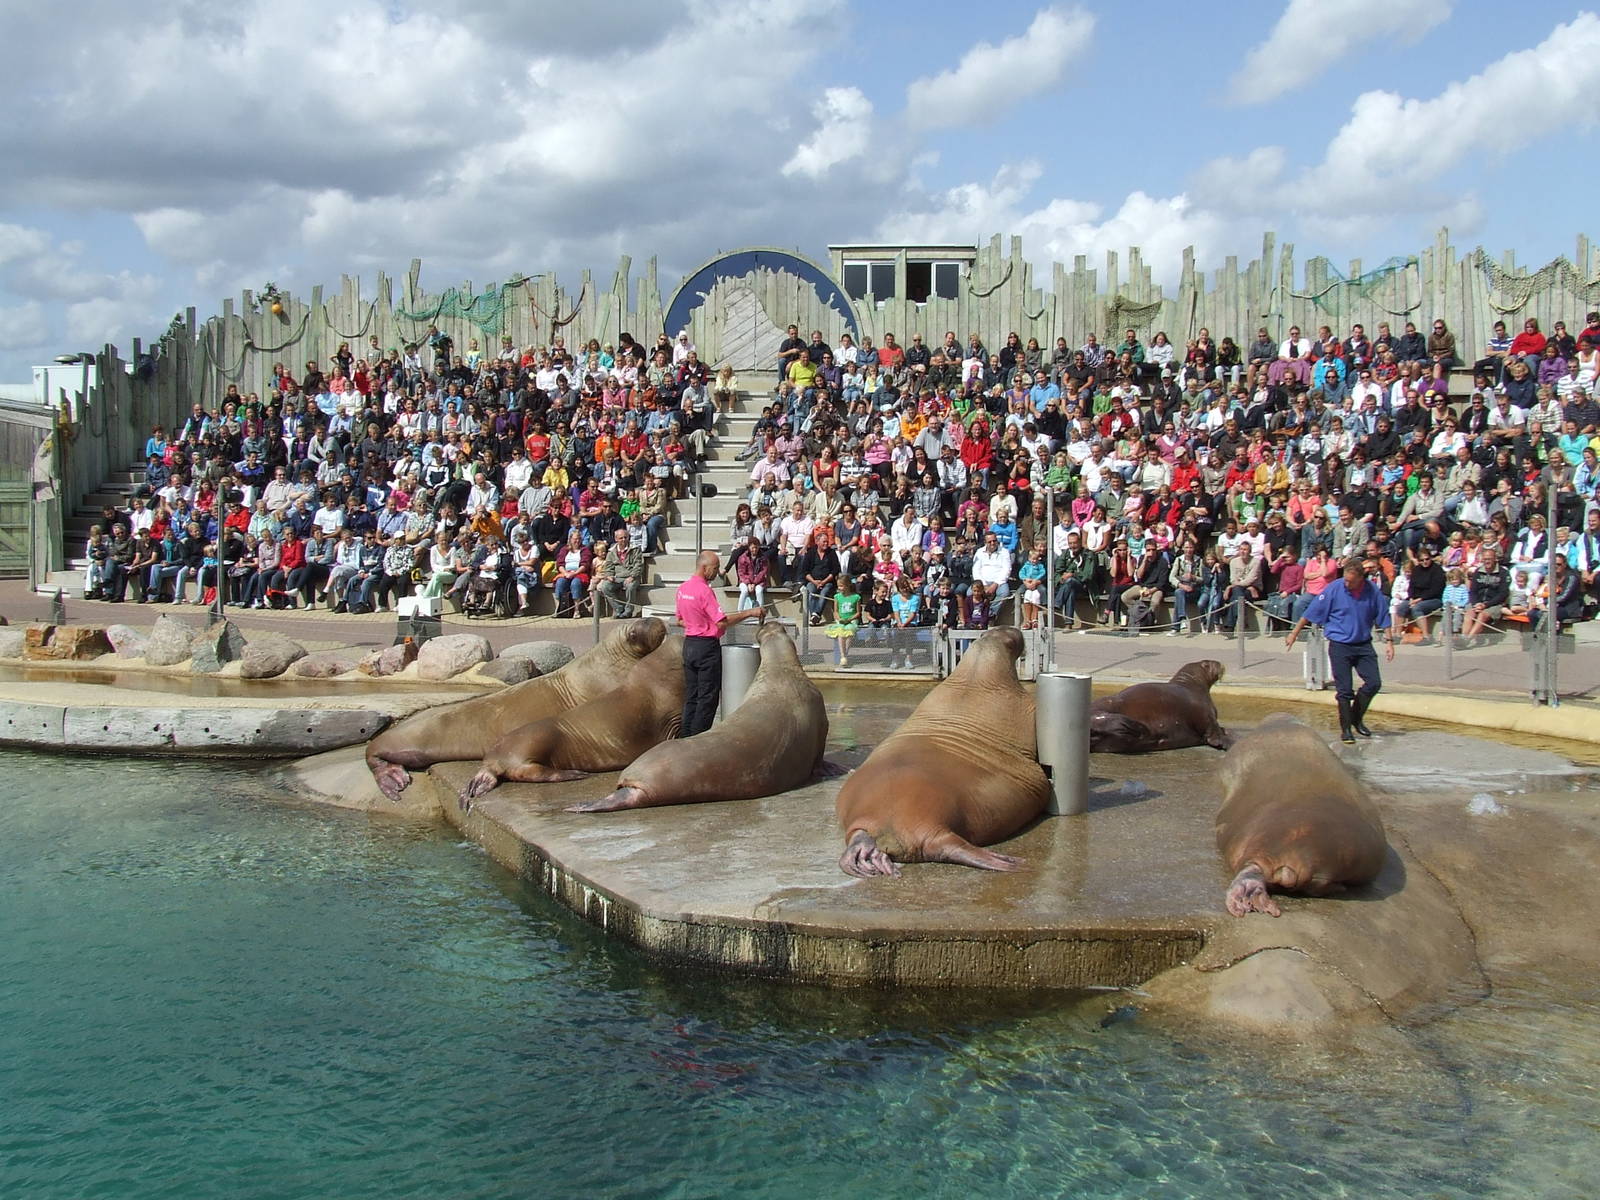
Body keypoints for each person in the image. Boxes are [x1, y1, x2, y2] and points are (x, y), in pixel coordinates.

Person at [1285, 559, 1396, 744]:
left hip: (1363, 644)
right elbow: (1312, 611)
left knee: (1374, 682)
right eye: (1345, 579)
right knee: (1344, 690)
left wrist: (1389, 642)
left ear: (1360, 578)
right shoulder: (1335, 588)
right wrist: (1294, 633)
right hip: (1340, 645)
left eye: (1350, 581)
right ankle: (1346, 730)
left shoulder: (1371, 590)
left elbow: (1383, 614)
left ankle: (1356, 718)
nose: (1346, 584)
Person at [674, 550, 765, 738]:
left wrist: (698, 623)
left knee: (692, 696)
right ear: (704, 568)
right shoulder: (704, 591)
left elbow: (680, 621)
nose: (717, 573)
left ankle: (685, 738)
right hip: (706, 647)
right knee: (707, 698)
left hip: (689, 645)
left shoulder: (682, 589)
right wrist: (750, 613)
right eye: (715, 568)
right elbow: (722, 622)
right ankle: (698, 740)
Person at [823, 575, 860, 668]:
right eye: (838, 586)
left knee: (849, 632)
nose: (839, 588)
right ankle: (843, 656)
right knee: (840, 633)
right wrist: (839, 619)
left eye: (841, 586)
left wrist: (850, 619)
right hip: (841, 620)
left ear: (848, 585)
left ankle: (845, 654)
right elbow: (835, 611)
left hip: (851, 621)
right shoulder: (837, 597)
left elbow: (858, 613)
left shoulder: (856, 597)